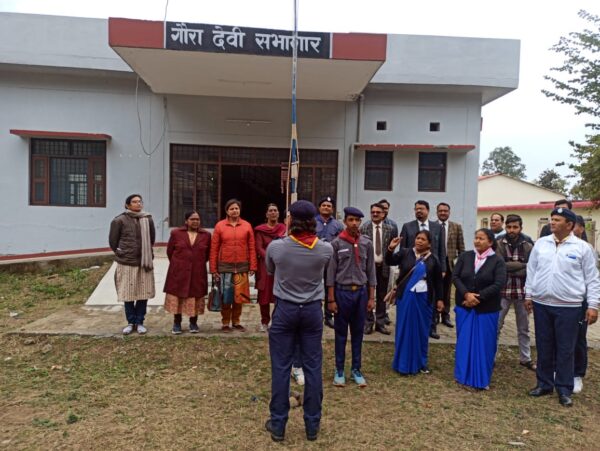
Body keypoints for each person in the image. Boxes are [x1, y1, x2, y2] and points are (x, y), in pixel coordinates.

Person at [264, 200, 333, 443]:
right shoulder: (325, 249)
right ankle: (312, 425)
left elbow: (270, 270)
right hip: (312, 310)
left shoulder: (277, 247)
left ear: (290, 220)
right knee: (313, 368)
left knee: (281, 367)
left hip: (285, 309)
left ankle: (278, 424)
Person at [526, 207, 600, 407]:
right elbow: (531, 271)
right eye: (552, 219)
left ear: (570, 225)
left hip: (569, 306)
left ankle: (564, 388)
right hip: (542, 304)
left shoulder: (582, 248)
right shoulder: (541, 244)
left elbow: (592, 279)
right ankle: (544, 384)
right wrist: (529, 294)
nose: (552, 222)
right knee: (544, 345)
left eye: (557, 220)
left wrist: (593, 305)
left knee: (566, 348)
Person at [327, 207, 376, 387]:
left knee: (358, 333)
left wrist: (371, 297)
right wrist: (331, 299)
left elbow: (371, 272)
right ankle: (339, 370)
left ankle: (356, 369)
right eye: (351, 220)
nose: (354, 223)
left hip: (361, 293)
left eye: (357, 220)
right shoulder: (336, 244)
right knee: (340, 333)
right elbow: (331, 274)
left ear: (360, 222)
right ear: (345, 221)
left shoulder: (366, 243)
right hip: (342, 292)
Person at [453, 228, 507, 389]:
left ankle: (480, 379)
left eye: (481, 238)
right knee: (464, 342)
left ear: (490, 242)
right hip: (464, 307)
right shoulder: (465, 256)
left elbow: (499, 283)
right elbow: (455, 276)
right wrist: (466, 295)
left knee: (484, 344)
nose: (477, 241)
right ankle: (462, 375)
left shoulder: (497, 261)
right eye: (476, 238)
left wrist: (477, 297)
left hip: (486, 309)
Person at [386, 230, 443, 375]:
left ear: (429, 243)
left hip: (424, 299)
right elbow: (389, 261)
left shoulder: (433, 259)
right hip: (406, 297)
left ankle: (421, 362)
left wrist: (440, 299)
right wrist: (391, 248)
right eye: (418, 238)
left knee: (422, 330)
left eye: (423, 239)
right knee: (404, 328)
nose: (419, 241)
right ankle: (402, 364)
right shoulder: (405, 253)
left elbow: (438, 282)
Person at [109, 194, 156, 335]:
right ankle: (130, 322)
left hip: (144, 262)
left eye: (140, 201)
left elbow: (151, 239)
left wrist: (146, 252)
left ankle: (140, 321)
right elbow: (113, 241)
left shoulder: (147, 219)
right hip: (127, 262)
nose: (138, 204)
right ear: (127, 205)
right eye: (134, 202)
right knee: (128, 293)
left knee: (143, 292)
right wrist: (122, 252)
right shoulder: (119, 220)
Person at [400, 200, 446, 339]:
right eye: (416, 209)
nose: (418, 211)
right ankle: (411, 325)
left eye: (421, 208)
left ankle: (431, 327)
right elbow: (403, 249)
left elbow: (441, 249)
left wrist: (443, 268)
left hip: (432, 268)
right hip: (412, 271)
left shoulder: (437, 227)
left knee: (431, 297)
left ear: (428, 210)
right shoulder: (407, 227)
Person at [209, 199, 257, 333]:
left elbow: (252, 247)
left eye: (237, 208)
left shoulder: (247, 226)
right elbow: (214, 249)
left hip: (242, 267)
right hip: (225, 267)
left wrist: (253, 266)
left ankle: (236, 321)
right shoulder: (220, 226)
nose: (234, 211)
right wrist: (213, 269)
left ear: (240, 210)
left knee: (239, 297)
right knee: (226, 297)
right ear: (227, 211)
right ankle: (225, 323)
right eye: (232, 209)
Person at [496, 214, 535, 369]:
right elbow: (499, 266)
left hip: (523, 292)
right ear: (505, 227)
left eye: (515, 227)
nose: (511, 230)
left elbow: (532, 268)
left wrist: (511, 266)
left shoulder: (528, 244)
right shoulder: (499, 243)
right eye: (509, 227)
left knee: (524, 328)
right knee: (496, 326)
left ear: (520, 228)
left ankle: (525, 358)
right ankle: (491, 357)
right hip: (502, 291)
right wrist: (522, 265)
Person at [163, 210, 211, 334]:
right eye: (192, 219)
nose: (195, 221)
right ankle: (177, 323)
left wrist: (196, 262)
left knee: (195, 297)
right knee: (178, 297)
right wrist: (179, 264)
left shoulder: (206, 235)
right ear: (186, 221)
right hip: (178, 271)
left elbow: (207, 255)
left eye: (197, 219)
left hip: (197, 271)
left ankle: (193, 323)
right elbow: (170, 252)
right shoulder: (176, 233)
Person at [360, 202, 394, 335]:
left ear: (383, 214)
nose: (375, 214)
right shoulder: (364, 228)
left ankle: (380, 322)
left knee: (382, 295)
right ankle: (368, 322)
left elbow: (391, 248)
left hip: (383, 267)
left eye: (378, 212)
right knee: (368, 294)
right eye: (373, 212)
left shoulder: (390, 229)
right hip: (368, 267)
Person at [254, 203, 286, 332]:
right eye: (271, 211)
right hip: (265, 266)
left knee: (279, 294)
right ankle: (264, 321)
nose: (273, 213)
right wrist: (270, 257)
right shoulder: (260, 230)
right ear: (266, 214)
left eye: (275, 210)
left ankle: (276, 321)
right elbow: (259, 247)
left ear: (278, 213)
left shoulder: (284, 228)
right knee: (264, 294)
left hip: (281, 266)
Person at [573, 215, 595, 393]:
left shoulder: (586, 248)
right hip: (561, 301)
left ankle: (577, 374)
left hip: (580, 301)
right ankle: (559, 369)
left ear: (581, 228)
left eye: (573, 226)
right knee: (560, 338)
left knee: (578, 338)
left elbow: (593, 278)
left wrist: (592, 304)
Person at [315, 195, 343, 329]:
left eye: (329, 206)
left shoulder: (338, 225)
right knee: (314, 287)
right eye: (324, 205)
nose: (326, 208)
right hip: (315, 260)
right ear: (319, 208)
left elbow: (341, 242)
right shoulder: (312, 222)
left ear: (332, 209)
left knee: (330, 287)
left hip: (331, 261)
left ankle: (328, 316)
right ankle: (316, 315)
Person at [436, 202, 465, 328]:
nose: (443, 213)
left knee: (447, 290)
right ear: (437, 212)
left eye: (445, 211)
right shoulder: (432, 226)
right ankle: (435, 315)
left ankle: (445, 315)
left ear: (449, 212)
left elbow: (461, 247)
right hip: (435, 264)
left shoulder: (456, 227)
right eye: (440, 211)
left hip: (450, 264)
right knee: (435, 289)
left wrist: (462, 265)